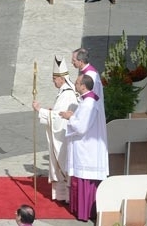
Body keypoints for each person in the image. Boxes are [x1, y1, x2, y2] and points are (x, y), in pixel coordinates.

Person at [60, 74, 109, 221]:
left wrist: (70, 117)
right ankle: (81, 210)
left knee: (85, 181)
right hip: (86, 147)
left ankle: (85, 212)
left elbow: (81, 127)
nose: (75, 85)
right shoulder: (88, 100)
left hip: (86, 149)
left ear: (83, 86)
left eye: (77, 83)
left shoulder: (89, 103)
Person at [32, 56, 78, 202]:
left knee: (62, 162)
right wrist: (51, 111)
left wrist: (40, 110)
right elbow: (59, 112)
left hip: (63, 135)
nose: (53, 81)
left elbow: (58, 118)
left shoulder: (68, 93)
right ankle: (62, 195)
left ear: (61, 78)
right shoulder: (66, 91)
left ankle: (66, 197)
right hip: (64, 132)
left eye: (54, 78)